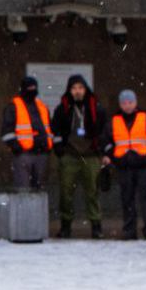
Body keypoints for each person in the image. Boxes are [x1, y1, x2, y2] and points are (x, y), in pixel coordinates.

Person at [50, 74, 107, 238]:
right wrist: (60, 150)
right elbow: (56, 131)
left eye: (80, 88)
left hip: (91, 156)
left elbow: (104, 132)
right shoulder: (63, 108)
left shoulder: (97, 108)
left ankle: (96, 227)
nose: (77, 92)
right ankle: (66, 226)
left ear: (85, 89)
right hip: (69, 156)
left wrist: (102, 152)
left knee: (93, 192)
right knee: (66, 193)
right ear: (69, 90)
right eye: (74, 88)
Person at [103, 89, 146, 240]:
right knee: (127, 200)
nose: (127, 106)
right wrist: (113, 157)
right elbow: (105, 142)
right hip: (124, 166)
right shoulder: (113, 122)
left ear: (135, 103)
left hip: (143, 165)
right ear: (120, 104)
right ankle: (129, 230)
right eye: (124, 103)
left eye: (130, 102)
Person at [0, 75, 54, 191]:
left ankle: (35, 208)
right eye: (29, 88)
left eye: (34, 87)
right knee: (23, 188)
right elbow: (6, 131)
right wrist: (16, 147)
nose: (32, 90)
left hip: (41, 153)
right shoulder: (14, 106)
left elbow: (49, 129)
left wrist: (48, 147)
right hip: (24, 154)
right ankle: (24, 209)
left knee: (38, 188)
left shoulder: (42, 107)